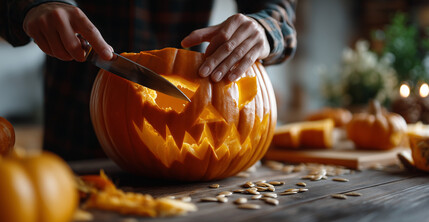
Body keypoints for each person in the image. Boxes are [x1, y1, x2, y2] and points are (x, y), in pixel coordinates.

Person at [0, 0, 297, 161]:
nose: (212, 115)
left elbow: (279, 12)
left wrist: (263, 27)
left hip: (192, 88)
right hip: (76, 132)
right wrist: (30, 7)